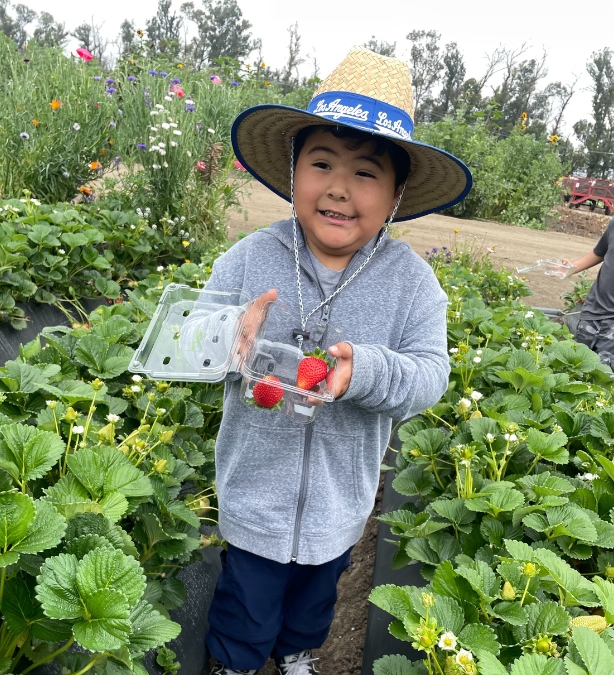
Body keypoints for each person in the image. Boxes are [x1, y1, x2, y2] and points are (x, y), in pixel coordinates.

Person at [200, 47, 471, 675]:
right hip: (254, 492)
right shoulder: (249, 258)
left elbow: (431, 375)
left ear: (398, 193)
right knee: (247, 595)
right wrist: (225, 335)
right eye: (321, 164)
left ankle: (297, 653)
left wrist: (367, 372)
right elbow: (195, 336)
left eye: (366, 173)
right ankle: (236, 662)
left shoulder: (412, 283)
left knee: (319, 592)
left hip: (340, 499)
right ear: (295, 172)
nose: (339, 188)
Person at [561, 214, 614, 390]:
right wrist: (571, 268)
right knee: (576, 365)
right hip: (593, 311)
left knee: (607, 379)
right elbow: (598, 253)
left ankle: (606, 413)